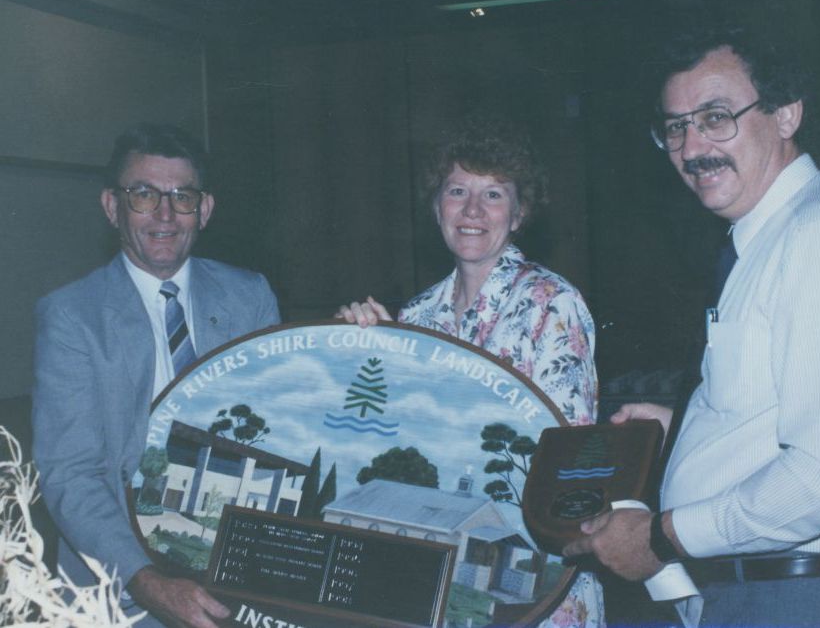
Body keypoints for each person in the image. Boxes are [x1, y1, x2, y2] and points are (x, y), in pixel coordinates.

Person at [563, 23, 820, 628]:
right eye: (675, 126)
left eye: (716, 116)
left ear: (786, 115)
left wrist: (661, 536)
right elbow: (789, 408)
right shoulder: (769, 239)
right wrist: (688, 432)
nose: (692, 146)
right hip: (763, 596)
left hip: (798, 604)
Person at [337, 114, 604, 627]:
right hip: (434, 580)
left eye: (494, 194)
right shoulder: (415, 318)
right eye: (457, 190)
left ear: (520, 213)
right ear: (437, 206)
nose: (473, 210)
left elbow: (573, 462)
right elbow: (390, 443)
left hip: (539, 580)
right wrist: (358, 348)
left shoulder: (553, 304)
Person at [32, 123, 281, 628]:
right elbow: (71, 474)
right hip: (117, 583)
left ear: (204, 210)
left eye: (181, 196)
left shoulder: (249, 296)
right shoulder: (71, 315)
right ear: (112, 207)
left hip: (236, 570)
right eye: (143, 195)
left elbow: (281, 437)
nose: (164, 214)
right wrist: (147, 583)